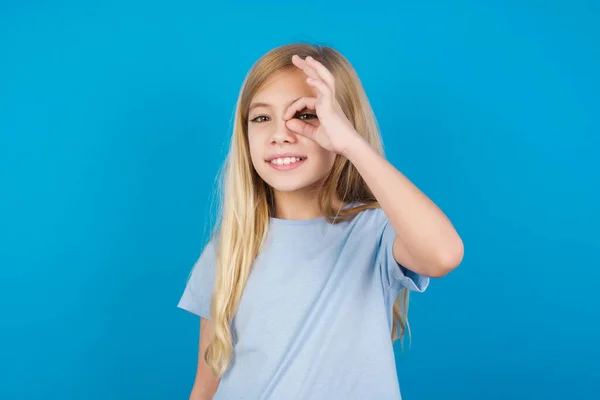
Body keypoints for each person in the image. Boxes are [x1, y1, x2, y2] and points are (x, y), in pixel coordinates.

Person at [177, 42, 464, 400]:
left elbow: (443, 255)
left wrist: (352, 145)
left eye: (306, 115)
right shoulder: (231, 247)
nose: (280, 134)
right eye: (262, 118)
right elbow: (207, 383)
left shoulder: (374, 233)